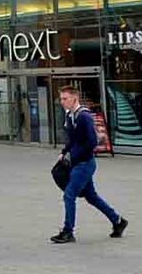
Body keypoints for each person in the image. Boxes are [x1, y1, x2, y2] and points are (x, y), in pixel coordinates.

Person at [50, 86, 128, 244]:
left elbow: (92, 141)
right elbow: (73, 139)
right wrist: (64, 152)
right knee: (91, 197)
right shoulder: (70, 115)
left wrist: (75, 156)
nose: (62, 102)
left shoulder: (83, 116)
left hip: (84, 163)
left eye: (65, 99)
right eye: (61, 99)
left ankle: (68, 231)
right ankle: (118, 221)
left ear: (74, 98)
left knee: (69, 195)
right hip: (79, 162)